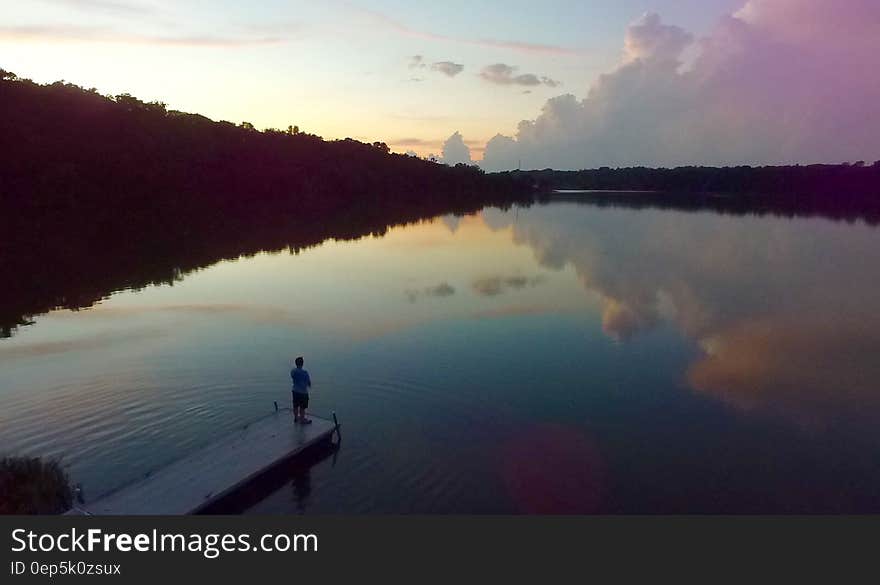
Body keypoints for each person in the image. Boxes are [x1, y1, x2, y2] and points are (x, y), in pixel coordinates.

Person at [290, 356, 312, 424]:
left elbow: (292, 377)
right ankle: (302, 420)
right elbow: (309, 383)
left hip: (295, 391)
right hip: (303, 392)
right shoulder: (305, 372)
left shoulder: (293, 371)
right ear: (302, 363)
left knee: (295, 405)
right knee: (302, 407)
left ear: (296, 363)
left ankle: (296, 418)